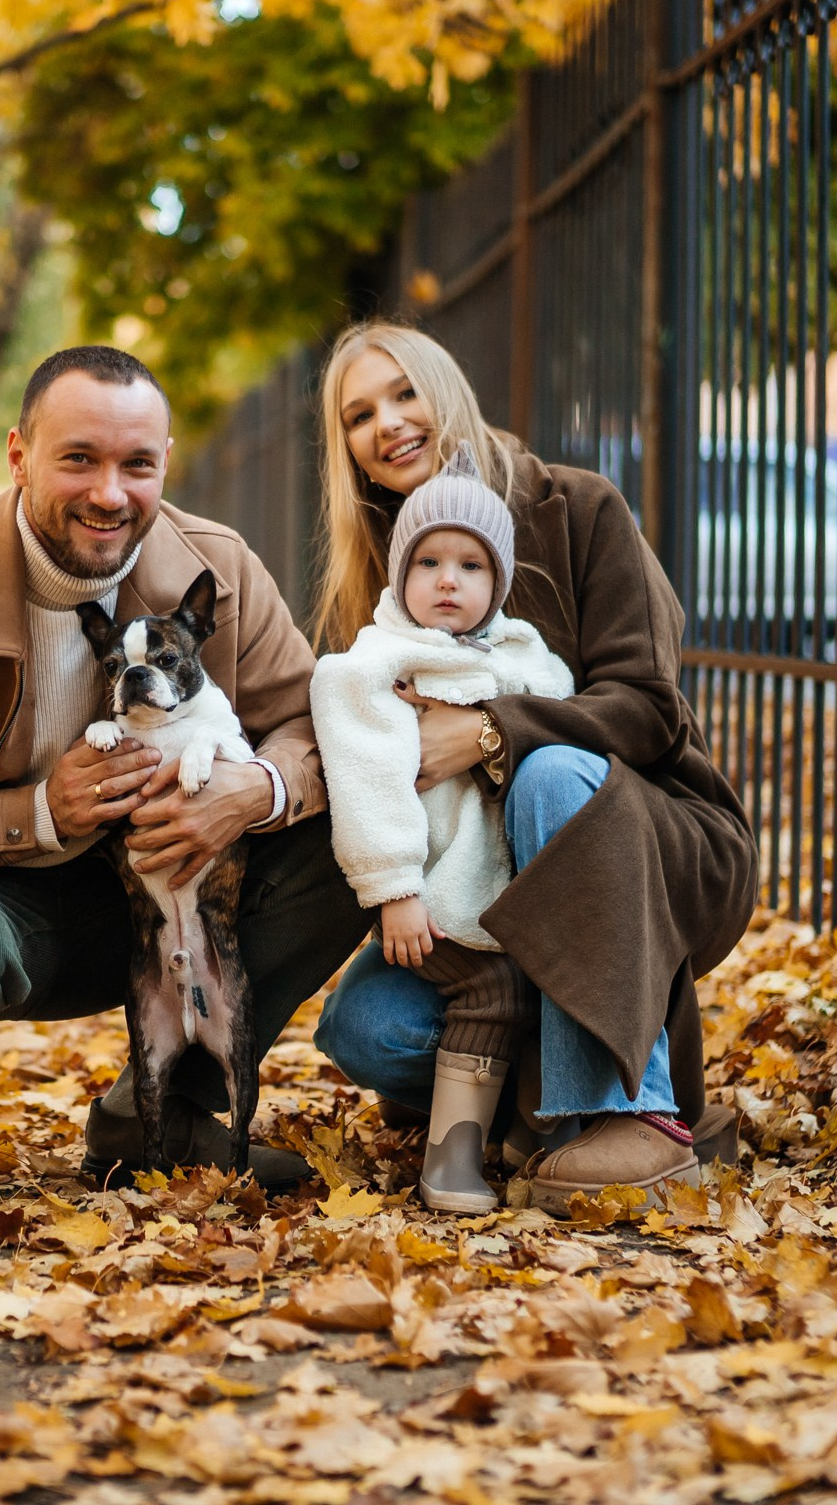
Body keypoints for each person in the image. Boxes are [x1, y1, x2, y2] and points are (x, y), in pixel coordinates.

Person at [0, 345, 370, 1204]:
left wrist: (255, 790)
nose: (109, 493)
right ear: (19, 456)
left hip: (161, 898)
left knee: (360, 823)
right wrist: (34, 813)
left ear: (165, 462)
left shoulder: (220, 572)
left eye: (137, 465)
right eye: (78, 459)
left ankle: (160, 1112)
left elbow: (311, 725)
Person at [308, 323, 757, 1210]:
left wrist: (489, 731)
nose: (386, 423)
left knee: (549, 773)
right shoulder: (384, 585)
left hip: (644, 841)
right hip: (484, 889)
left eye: (405, 393)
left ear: (448, 389)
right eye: (358, 415)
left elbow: (648, 707)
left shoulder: (579, 508)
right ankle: (547, 1108)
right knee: (364, 1028)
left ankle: (635, 1113)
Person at [311, 460, 574, 1213]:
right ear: (400, 576)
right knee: (489, 987)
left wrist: (494, 719)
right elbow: (365, 784)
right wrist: (393, 888)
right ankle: (451, 1164)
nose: (448, 581)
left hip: (508, 887)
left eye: (471, 565)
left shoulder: (518, 652)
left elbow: (560, 703)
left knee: (530, 989)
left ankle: (527, 1128)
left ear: (500, 580)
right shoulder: (373, 665)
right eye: (428, 563)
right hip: (428, 890)